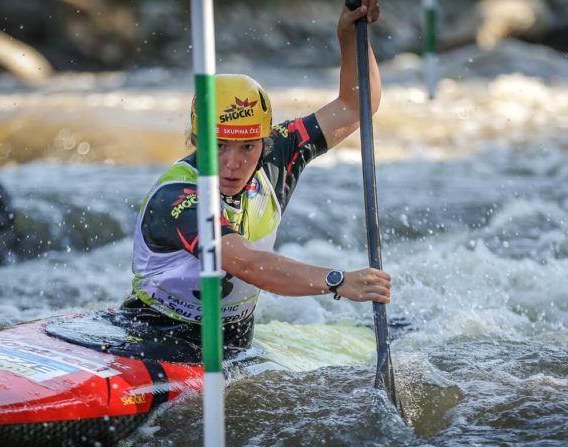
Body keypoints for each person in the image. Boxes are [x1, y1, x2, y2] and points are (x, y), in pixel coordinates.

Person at [121, 0, 391, 358]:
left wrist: (348, 34)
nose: (233, 163)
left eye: (247, 147)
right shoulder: (178, 198)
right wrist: (338, 281)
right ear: (196, 140)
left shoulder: (278, 152)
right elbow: (247, 264)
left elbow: (358, 106)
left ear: (264, 142)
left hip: (234, 348)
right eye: (219, 147)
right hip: (153, 341)